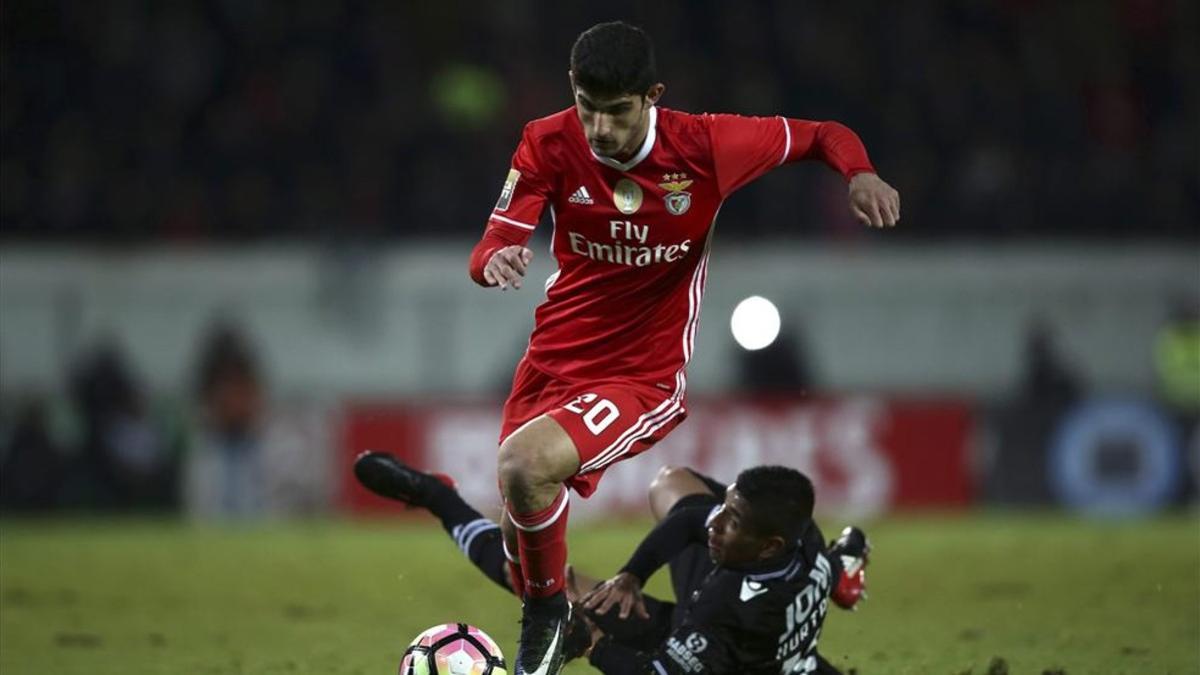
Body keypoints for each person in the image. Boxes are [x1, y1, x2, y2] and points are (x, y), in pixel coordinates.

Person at [467, 21, 898, 673]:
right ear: (571, 92)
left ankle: (544, 626)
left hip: (639, 373)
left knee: (525, 469)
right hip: (552, 363)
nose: (601, 130)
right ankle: (821, 567)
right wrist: (496, 258)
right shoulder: (546, 141)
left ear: (652, 97)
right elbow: (494, 238)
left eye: (616, 113)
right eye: (588, 109)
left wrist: (859, 173)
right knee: (522, 526)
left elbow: (819, 134)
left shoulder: (706, 145)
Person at [355, 451, 870, 674]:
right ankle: (435, 496)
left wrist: (594, 643)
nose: (716, 523)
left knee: (537, 580)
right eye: (727, 510)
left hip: (725, 656)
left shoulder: (725, 609)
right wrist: (632, 575)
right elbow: (694, 517)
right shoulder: (802, 543)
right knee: (671, 482)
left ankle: (436, 498)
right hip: (766, 634)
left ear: (768, 547)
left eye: (731, 522)